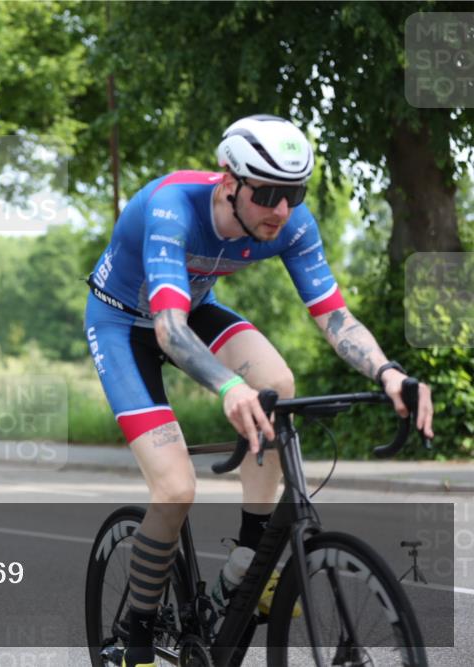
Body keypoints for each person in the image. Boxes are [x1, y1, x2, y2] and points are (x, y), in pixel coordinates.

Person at [83, 115, 434, 667]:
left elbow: (335, 318)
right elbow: (169, 330)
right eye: (268, 193)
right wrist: (227, 386)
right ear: (230, 182)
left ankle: (251, 559)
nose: (281, 209)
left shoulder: (290, 223)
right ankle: (137, 636)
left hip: (192, 310)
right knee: (175, 489)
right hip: (122, 323)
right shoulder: (173, 206)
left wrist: (390, 374)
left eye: (295, 193)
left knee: (277, 384)